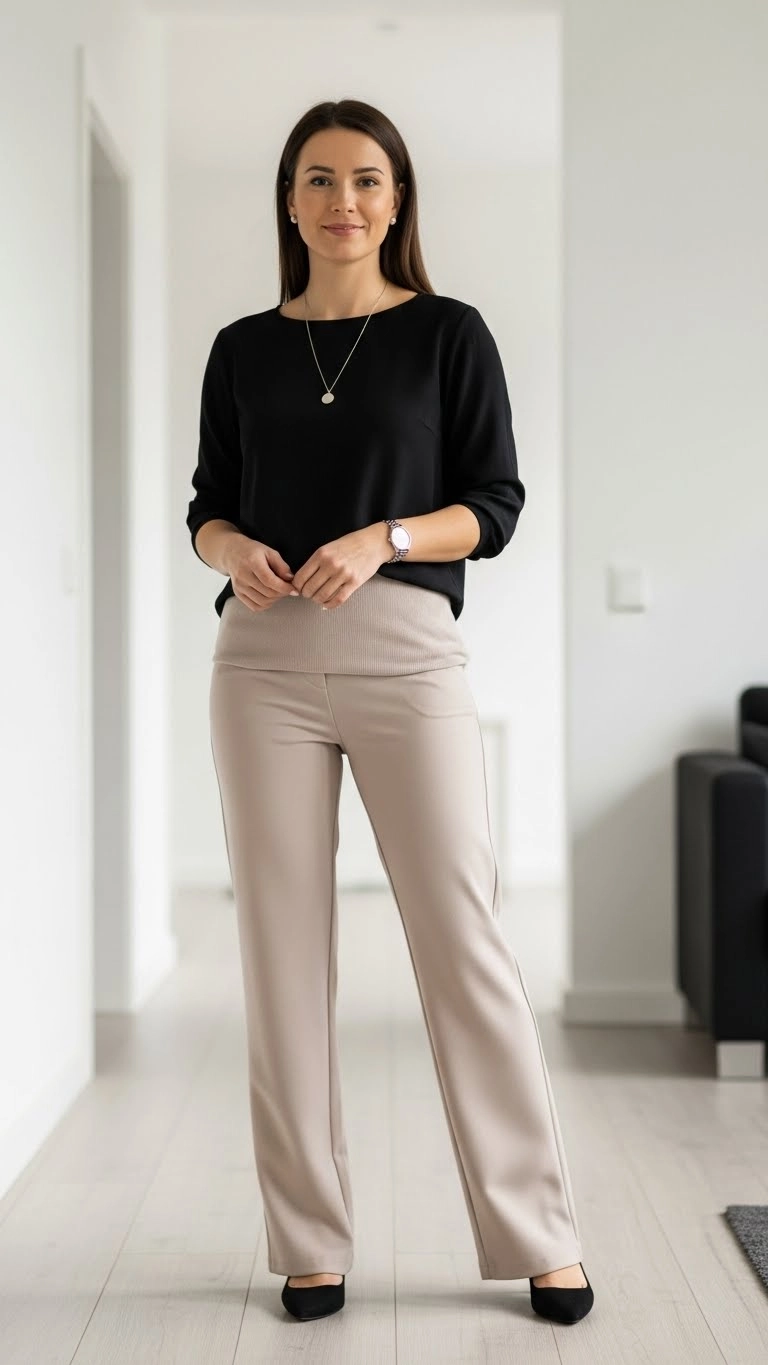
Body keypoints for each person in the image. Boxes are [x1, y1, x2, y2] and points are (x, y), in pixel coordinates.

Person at [186, 98, 594, 1327]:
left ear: (399, 200)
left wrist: (384, 537)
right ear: (291, 202)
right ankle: (310, 1240)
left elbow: (497, 503)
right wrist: (232, 548)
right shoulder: (242, 347)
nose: (344, 200)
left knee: (460, 940)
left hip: (407, 651)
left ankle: (538, 1231)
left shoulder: (448, 336)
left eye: (368, 179)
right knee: (280, 953)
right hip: (260, 662)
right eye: (319, 179)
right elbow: (206, 500)